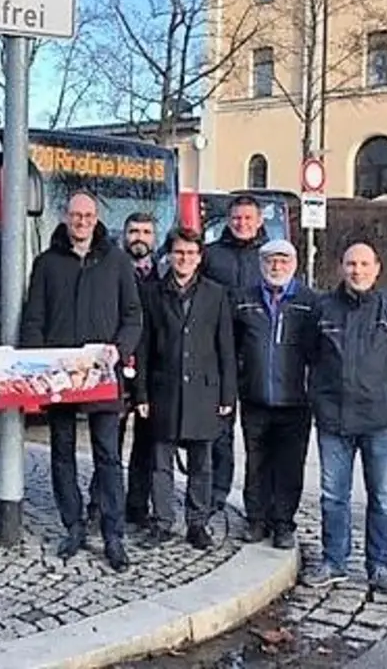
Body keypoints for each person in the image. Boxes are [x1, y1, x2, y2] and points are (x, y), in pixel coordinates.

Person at [20, 192, 142, 572]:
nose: (82, 221)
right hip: (59, 376)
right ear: (65, 217)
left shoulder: (117, 261)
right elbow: (34, 318)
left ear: (97, 218)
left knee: (107, 456)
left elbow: (133, 315)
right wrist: (36, 368)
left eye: (88, 215)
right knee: (62, 453)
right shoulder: (46, 264)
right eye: (76, 215)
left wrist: (119, 350)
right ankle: (73, 525)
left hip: (101, 375)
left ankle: (113, 532)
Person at [302, 243, 387, 592]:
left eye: (363, 264)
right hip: (333, 420)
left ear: (377, 268)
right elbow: (309, 354)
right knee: (333, 496)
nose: (357, 271)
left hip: (380, 421)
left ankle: (380, 566)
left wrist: (383, 382)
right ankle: (334, 561)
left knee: (383, 497)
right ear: (341, 268)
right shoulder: (322, 309)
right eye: (350, 264)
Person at [136, 228, 235, 551]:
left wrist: (227, 396)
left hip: (204, 391)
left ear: (199, 257)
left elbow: (225, 349)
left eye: (191, 254)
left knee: (201, 463)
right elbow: (144, 347)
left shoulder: (215, 294)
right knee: (160, 462)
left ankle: (198, 523)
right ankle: (162, 522)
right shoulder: (153, 294)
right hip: (164, 389)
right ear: (169, 255)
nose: (185, 259)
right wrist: (141, 394)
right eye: (179, 253)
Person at [231, 239, 313, 550]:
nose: (276, 267)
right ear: (261, 264)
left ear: (294, 264)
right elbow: (233, 345)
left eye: (282, 261)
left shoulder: (309, 302)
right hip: (255, 398)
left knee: (290, 465)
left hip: (295, 401)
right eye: (270, 261)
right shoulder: (244, 300)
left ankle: (283, 523)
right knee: (257, 462)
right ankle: (256, 519)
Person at [89, 211, 161, 527]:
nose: (139, 238)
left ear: (154, 239)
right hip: (115, 364)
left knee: (145, 444)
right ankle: (99, 502)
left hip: (151, 370)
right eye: (134, 231)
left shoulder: (164, 275)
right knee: (108, 443)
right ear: (124, 235)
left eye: (146, 232)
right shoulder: (110, 269)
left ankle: (137, 506)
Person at [199, 195, 268, 516]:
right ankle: (216, 494)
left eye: (248, 218)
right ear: (228, 220)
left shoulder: (270, 258)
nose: (242, 224)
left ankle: (258, 505)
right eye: (237, 218)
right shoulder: (211, 256)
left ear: (259, 221)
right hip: (216, 352)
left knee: (257, 437)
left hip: (256, 356)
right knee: (219, 431)